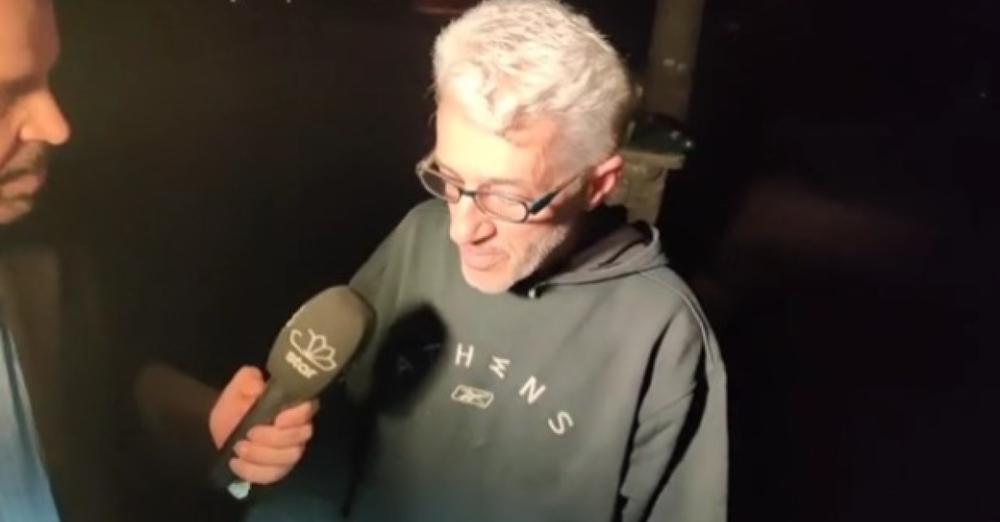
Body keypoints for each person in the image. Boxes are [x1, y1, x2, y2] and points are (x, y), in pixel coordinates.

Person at [211, 1, 727, 520]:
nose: (461, 229)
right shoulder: (419, 237)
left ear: (598, 184)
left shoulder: (661, 333)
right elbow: (339, 434)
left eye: (507, 198)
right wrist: (274, 452)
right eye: (452, 179)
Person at [0, 0, 112, 520]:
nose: (57, 127)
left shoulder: (44, 263)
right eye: (5, 96)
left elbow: (106, 424)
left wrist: (206, 424)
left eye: (48, 77)